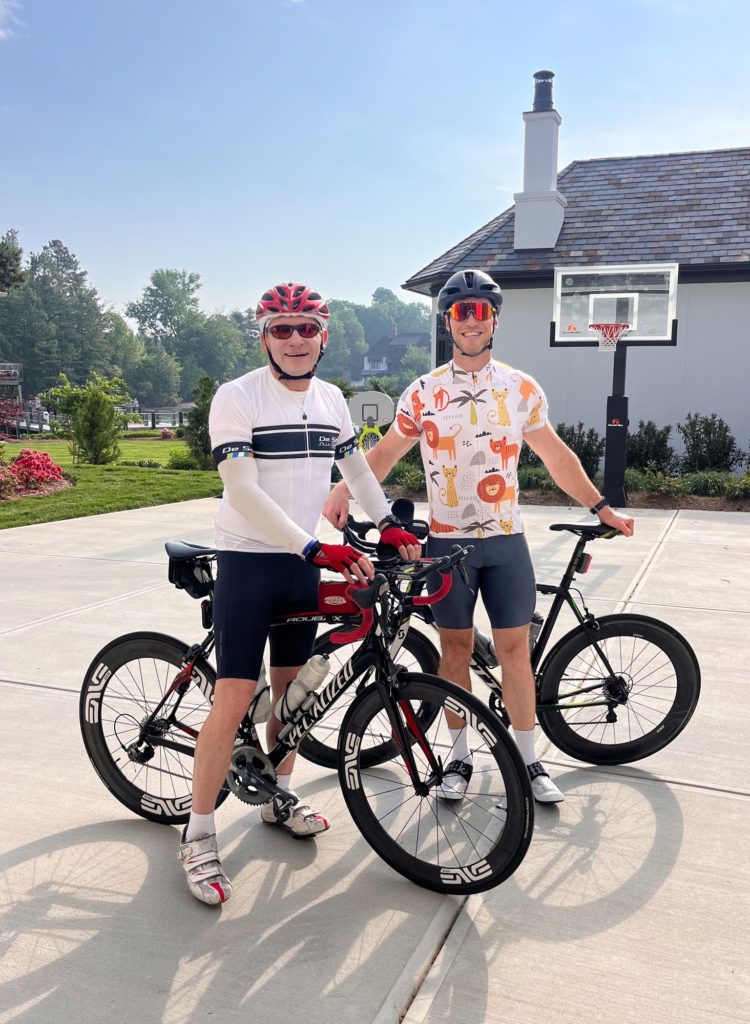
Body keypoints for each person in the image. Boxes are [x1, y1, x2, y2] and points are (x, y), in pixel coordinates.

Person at [323, 268, 634, 806]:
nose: (471, 321)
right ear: (448, 322)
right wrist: (342, 488)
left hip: (506, 541)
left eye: (481, 311)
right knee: (456, 650)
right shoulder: (424, 392)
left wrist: (600, 505)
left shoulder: (520, 389)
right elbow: (385, 454)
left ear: (494, 321)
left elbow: (556, 456)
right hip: (448, 544)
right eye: (461, 312)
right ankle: (459, 756)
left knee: (514, 651)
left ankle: (529, 761)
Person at [179, 281, 419, 905]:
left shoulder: (332, 398)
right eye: (280, 329)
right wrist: (312, 547)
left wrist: (387, 523)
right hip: (249, 561)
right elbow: (242, 490)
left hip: (299, 564)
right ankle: (198, 834)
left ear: (323, 337)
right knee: (235, 697)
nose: (294, 339)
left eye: (305, 328)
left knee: (291, 696)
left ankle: (278, 799)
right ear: (264, 337)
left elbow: (357, 470)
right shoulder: (238, 397)